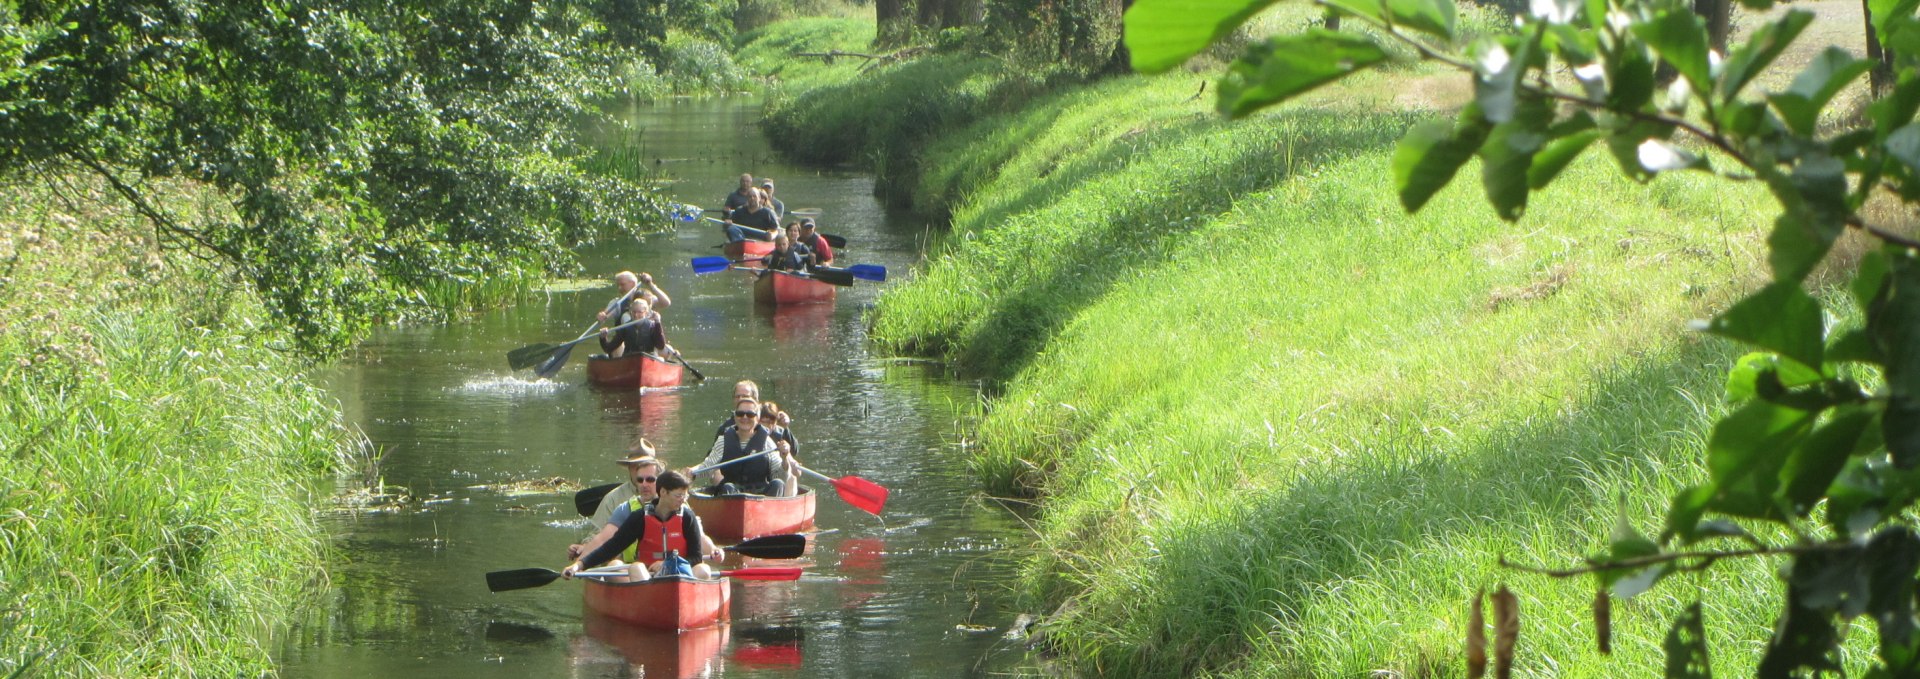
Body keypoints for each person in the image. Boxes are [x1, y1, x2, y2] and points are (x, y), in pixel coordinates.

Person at [563, 470, 719, 581]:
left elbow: (696, 557)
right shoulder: (640, 518)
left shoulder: (687, 517)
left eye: (684, 496)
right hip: (647, 577)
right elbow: (611, 547)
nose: (682, 500)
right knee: (635, 567)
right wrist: (579, 565)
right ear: (663, 492)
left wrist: (668, 564)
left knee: (703, 569)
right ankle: (649, 602)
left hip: (679, 575)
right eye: (678, 496)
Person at [697, 398, 787, 497]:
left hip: (761, 497)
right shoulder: (723, 441)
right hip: (732, 495)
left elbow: (778, 476)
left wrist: (784, 460)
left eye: (750, 414)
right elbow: (707, 467)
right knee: (728, 487)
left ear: (757, 418)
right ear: (735, 417)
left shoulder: (767, 442)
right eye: (740, 413)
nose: (744, 417)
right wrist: (690, 472)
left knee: (778, 483)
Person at [599, 297, 676, 359]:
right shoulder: (625, 328)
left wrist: (658, 323)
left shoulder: (653, 326)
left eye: (639, 312)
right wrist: (603, 338)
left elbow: (660, 346)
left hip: (648, 359)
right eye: (633, 312)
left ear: (646, 312)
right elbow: (608, 349)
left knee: (659, 358)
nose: (636, 315)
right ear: (630, 312)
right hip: (629, 359)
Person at [598, 271, 671, 325]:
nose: (619, 288)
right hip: (625, 341)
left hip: (647, 338)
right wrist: (602, 316)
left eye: (622, 284)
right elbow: (605, 316)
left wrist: (650, 284)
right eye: (618, 285)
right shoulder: (616, 303)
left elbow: (666, 303)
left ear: (632, 283)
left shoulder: (647, 298)